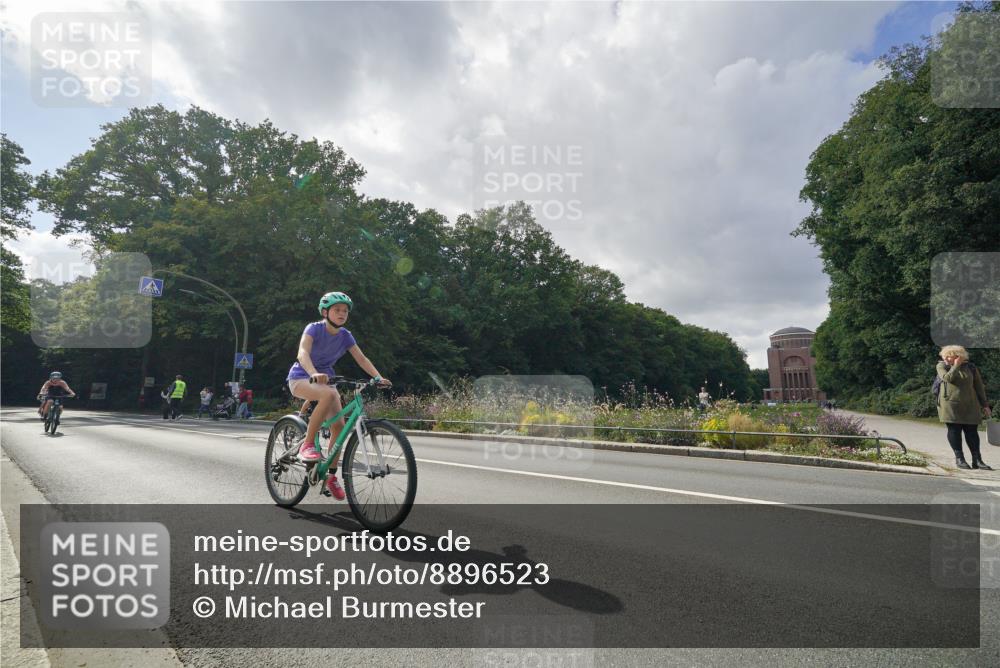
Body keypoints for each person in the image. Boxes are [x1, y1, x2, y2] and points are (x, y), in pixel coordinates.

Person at [286, 291, 391, 500]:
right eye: (337, 310)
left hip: (326, 382)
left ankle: (331, 477)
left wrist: (378, 377)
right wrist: (313, 373)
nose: (342, 313)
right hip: (301, 377)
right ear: (325, 312)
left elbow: (361, 358)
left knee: (339, 427)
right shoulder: (313, 329)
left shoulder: (345, 335)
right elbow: (302, 353)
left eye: (345, 311)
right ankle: (307, 445)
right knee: (326, 394)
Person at [936, 345, 992, 470]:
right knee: (954, 430)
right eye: (944, 356)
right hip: (950, 404)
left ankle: (977, 460)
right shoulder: (942, 366)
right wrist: (955, 366)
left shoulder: (971, 367)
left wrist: (985, 405)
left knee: (972, 432)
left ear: (958, 356)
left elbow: (979, 387)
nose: (945, 358)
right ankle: (960, 459)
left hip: (970, 404)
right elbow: (947, 378)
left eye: (948, 356)